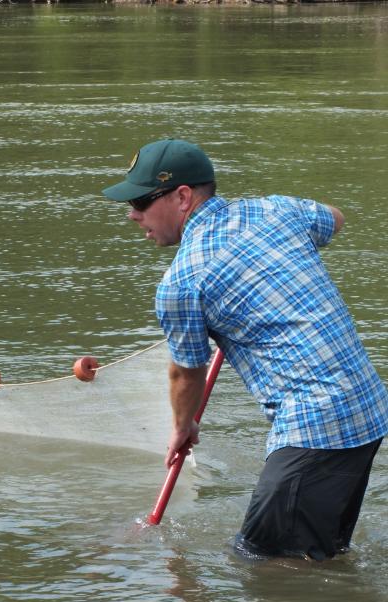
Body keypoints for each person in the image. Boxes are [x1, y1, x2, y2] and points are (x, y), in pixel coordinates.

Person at [102, 138, 388, 561]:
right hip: (366, 410)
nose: (132, 214)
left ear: (182, 197)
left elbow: (185, 372)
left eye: (142, 202)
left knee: (264, 568)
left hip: (315, 426)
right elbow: (335, 218)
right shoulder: (276, 210)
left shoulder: (181, 283)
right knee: (317, 558)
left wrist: (183, 428)